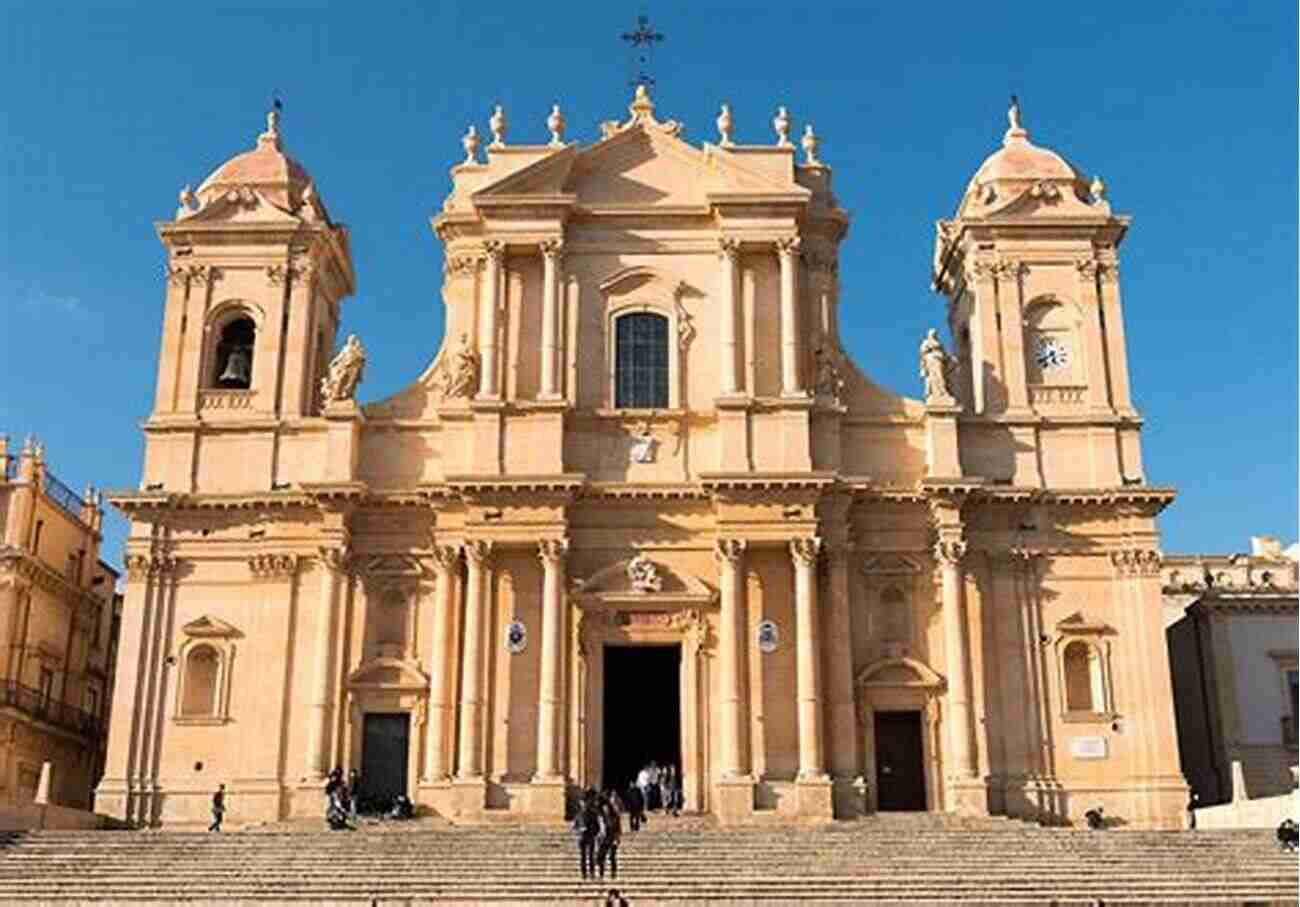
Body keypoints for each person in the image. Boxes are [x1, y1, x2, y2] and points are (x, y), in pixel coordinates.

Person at [573, 789, 600, 880]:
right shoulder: (578, 815)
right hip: (582, 837)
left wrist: (593, 833)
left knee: (591, 856)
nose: (584, 805)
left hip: (590, 836)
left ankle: (592, 872)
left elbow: (597, 826)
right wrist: (579, 831)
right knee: (583, 856)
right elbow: (575, 826)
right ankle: (584, 873)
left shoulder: (593, 814)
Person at [596, 790, 623, 881]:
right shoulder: (600, 817)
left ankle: (613, 873)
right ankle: (601, 874)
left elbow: (618, 829)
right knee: (600, 857)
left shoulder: (615, 817)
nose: (605, 809)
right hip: (603, 839)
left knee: (612, 857)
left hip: (611, 838)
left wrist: (617, 838)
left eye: (606, 807)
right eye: (604, 807)